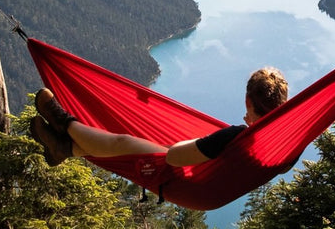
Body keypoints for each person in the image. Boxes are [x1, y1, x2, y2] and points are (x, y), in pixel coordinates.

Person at [30, 67, 288, 167]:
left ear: (247, 101)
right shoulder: (287, 145)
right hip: (210, 186)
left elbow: (174, 157)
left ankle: (63, 121)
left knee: (125, 143)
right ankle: (66, 148)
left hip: (187, 182)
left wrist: (182, 141)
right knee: (124, 144)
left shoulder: (234, 136)